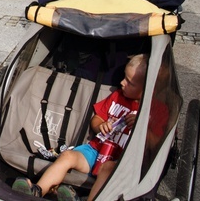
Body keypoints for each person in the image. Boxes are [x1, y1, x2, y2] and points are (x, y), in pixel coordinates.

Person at [12, 55, 153, 201]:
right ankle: (37, 190)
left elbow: (155, 142)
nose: (122, 82)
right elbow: (96, 119)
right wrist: (100, 126)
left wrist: (142, 123)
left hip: (119, 160)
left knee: (108, 167)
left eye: (130, 82)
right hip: (96, 150)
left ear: (146, 88)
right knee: (67, 156)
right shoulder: (117, 96)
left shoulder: (152, 110)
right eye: (124, 76)